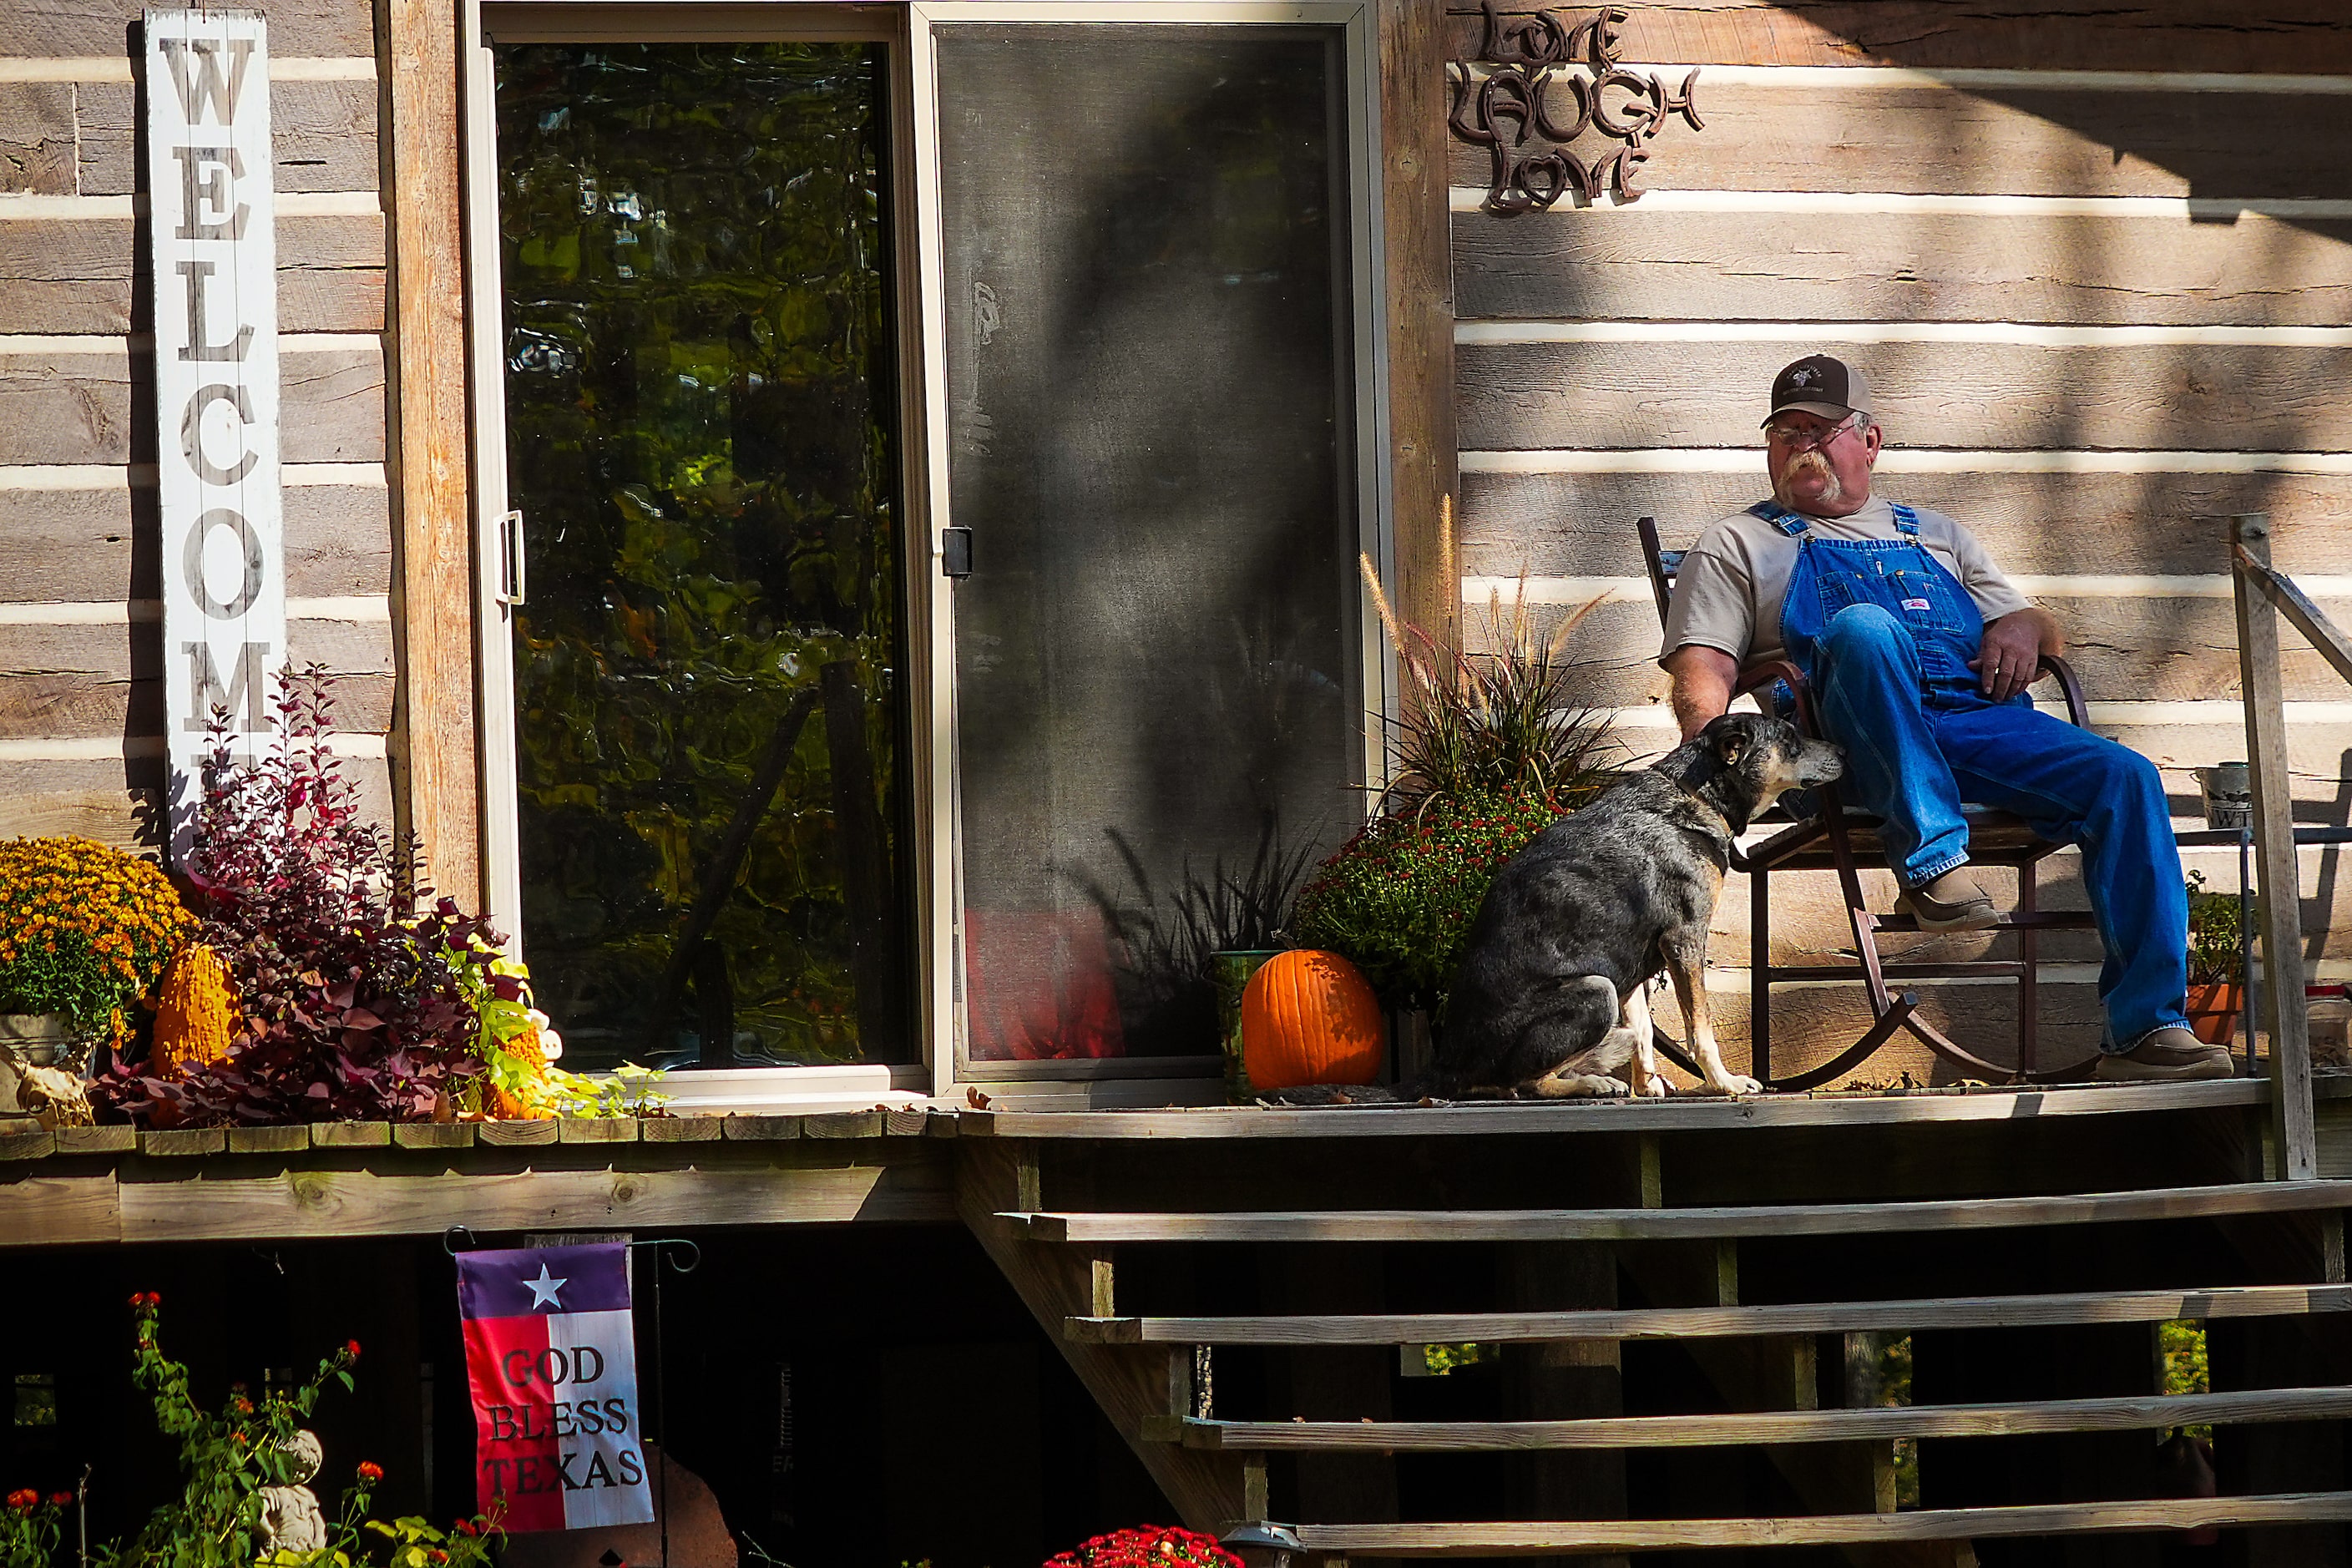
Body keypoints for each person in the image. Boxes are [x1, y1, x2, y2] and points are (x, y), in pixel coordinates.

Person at [1658, 354, 2229, 1081]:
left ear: (1868, 441)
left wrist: (2023, 627)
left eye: (1821, 429)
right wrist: (1698, 774)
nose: (1801, 444)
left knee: (2124, 777)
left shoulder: (1935, 533)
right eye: (1786, 431)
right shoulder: (1738, 542)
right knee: (1864, 627)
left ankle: (2149, 1028)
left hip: (1968, 724)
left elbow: (2036, 627)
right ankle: (1932, 865)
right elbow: (1703, 667)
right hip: (1839, 746)